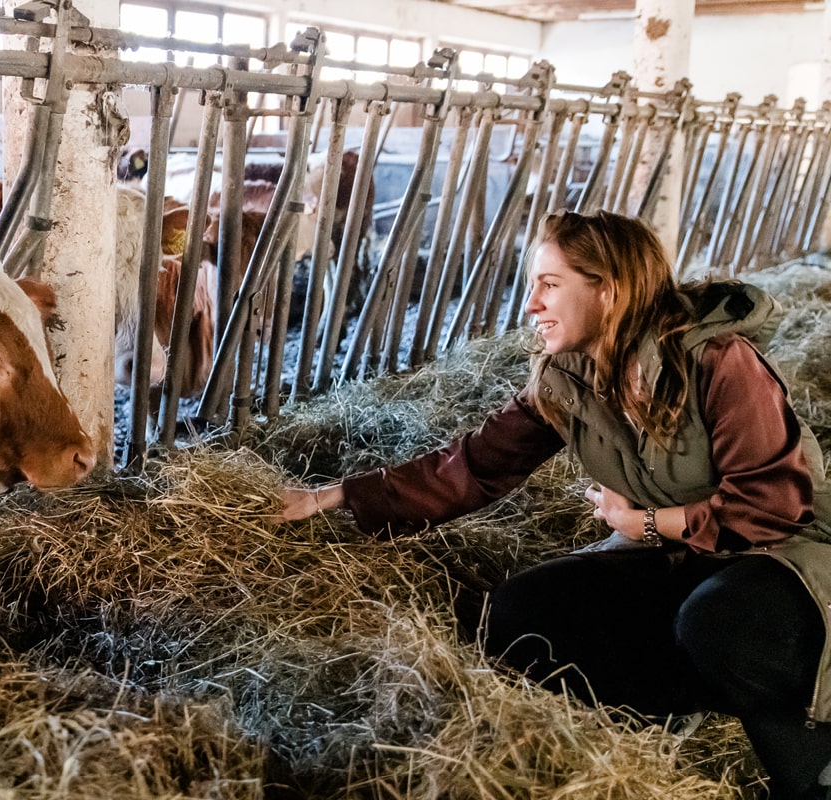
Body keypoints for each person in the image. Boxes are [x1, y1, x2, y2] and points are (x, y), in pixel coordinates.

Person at [280, 209, 831, 799]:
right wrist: (334, 496)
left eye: (550, 284)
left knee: (720, 624)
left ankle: (815, 772)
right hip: (682, 559)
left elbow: (770, 508)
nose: (531, 304)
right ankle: (666, 707)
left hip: (786, 559)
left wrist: (642, 522)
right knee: (520, 614)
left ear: (609, 290)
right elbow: (476, 464)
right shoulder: (567, 378)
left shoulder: (718, 360)